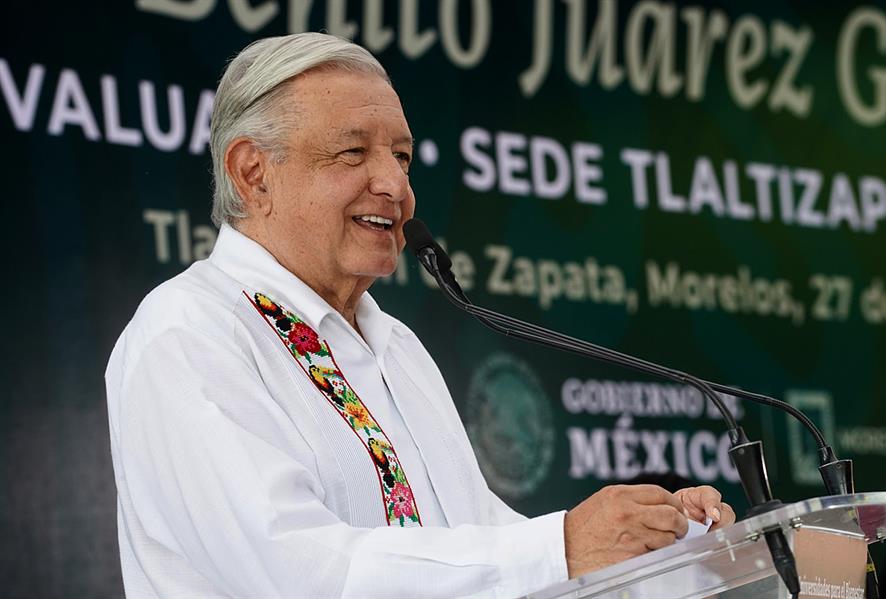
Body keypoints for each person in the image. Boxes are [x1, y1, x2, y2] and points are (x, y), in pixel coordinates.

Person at [105, 32, 735, 597]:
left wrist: (656, 545)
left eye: (402, 157)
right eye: (352, 153)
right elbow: (299, 573)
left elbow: (476, 540)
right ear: (253, 173)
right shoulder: (188, 333)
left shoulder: (394, 345)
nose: (394, 185)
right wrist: (561, 548)